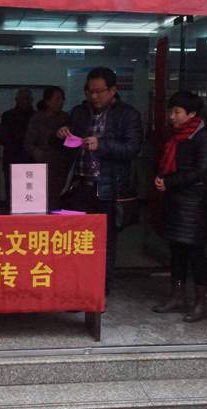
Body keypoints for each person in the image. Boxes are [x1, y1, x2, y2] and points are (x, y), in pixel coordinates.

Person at [57, 67, 142, 295]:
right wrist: (62, 133)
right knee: (76, 240)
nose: (93, 96)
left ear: (113, 90)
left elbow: (133, 148)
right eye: (89, 91)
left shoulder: (128, 114)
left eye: (99, 91)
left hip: (108, 189)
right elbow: (64, 147)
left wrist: (101, 145)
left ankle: (99, 291)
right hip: (79, 186)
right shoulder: (79, 112)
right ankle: (76, 286)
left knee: (104, 242)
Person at [151, 91, 207, 322]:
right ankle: (177, 296)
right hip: (175, 200)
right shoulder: (175, 136)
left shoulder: (201, 136)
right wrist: (163, 180)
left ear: (191, 114)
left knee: (195, 253)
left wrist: (170, 182)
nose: (172, 116)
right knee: (176, 251)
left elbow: (202, 170)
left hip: (195, 203)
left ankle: (202, 303)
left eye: (177, 112)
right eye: (171, 111)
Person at [24, 86, 72, 210]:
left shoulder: (66, 118)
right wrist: (41, 156)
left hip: (62, 166)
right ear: (47, 101)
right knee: (42, 200)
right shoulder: (37, 119)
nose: (61, 102)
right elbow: (29, 143)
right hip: (42, 167)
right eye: (57, 99)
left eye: (62, 99)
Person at [0, 87, 36, 201]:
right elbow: (3, 138)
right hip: (12, 157)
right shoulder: (8, 115)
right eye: (24, 98)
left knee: (30, 192)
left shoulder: (37, 116)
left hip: (31, 159)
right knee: (12, 192)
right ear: (17, 99)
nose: (26, 101)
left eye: (28, 99)